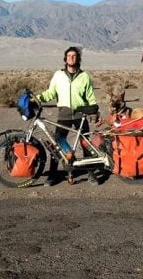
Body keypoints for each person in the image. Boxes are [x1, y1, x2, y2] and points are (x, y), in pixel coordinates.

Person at [34, 46, 101, 186]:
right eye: (69, 56)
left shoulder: (84, 76)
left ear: (78, 59)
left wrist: (95, 111)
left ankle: (90, 174)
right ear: (65, 59)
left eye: (74, 56)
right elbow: (50, 93)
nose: (71, 58)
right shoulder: (58, 75)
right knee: (57, 145)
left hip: (80, 114)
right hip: (64, 114)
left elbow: (90, 97)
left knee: (86, 145)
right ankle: (53, 175)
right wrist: (37, 98)